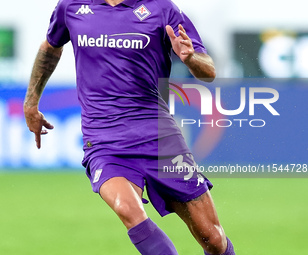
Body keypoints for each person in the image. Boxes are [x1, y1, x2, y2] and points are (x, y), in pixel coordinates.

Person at [23, 0, 235, 254]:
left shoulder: (161, 8)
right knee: (128, 209)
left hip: (159, 138)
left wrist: (190, 58)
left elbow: (208, 71)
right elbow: (50, 47)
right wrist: (31, 103)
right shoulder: (71, 6)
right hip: (103, 141)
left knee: (213, 238)